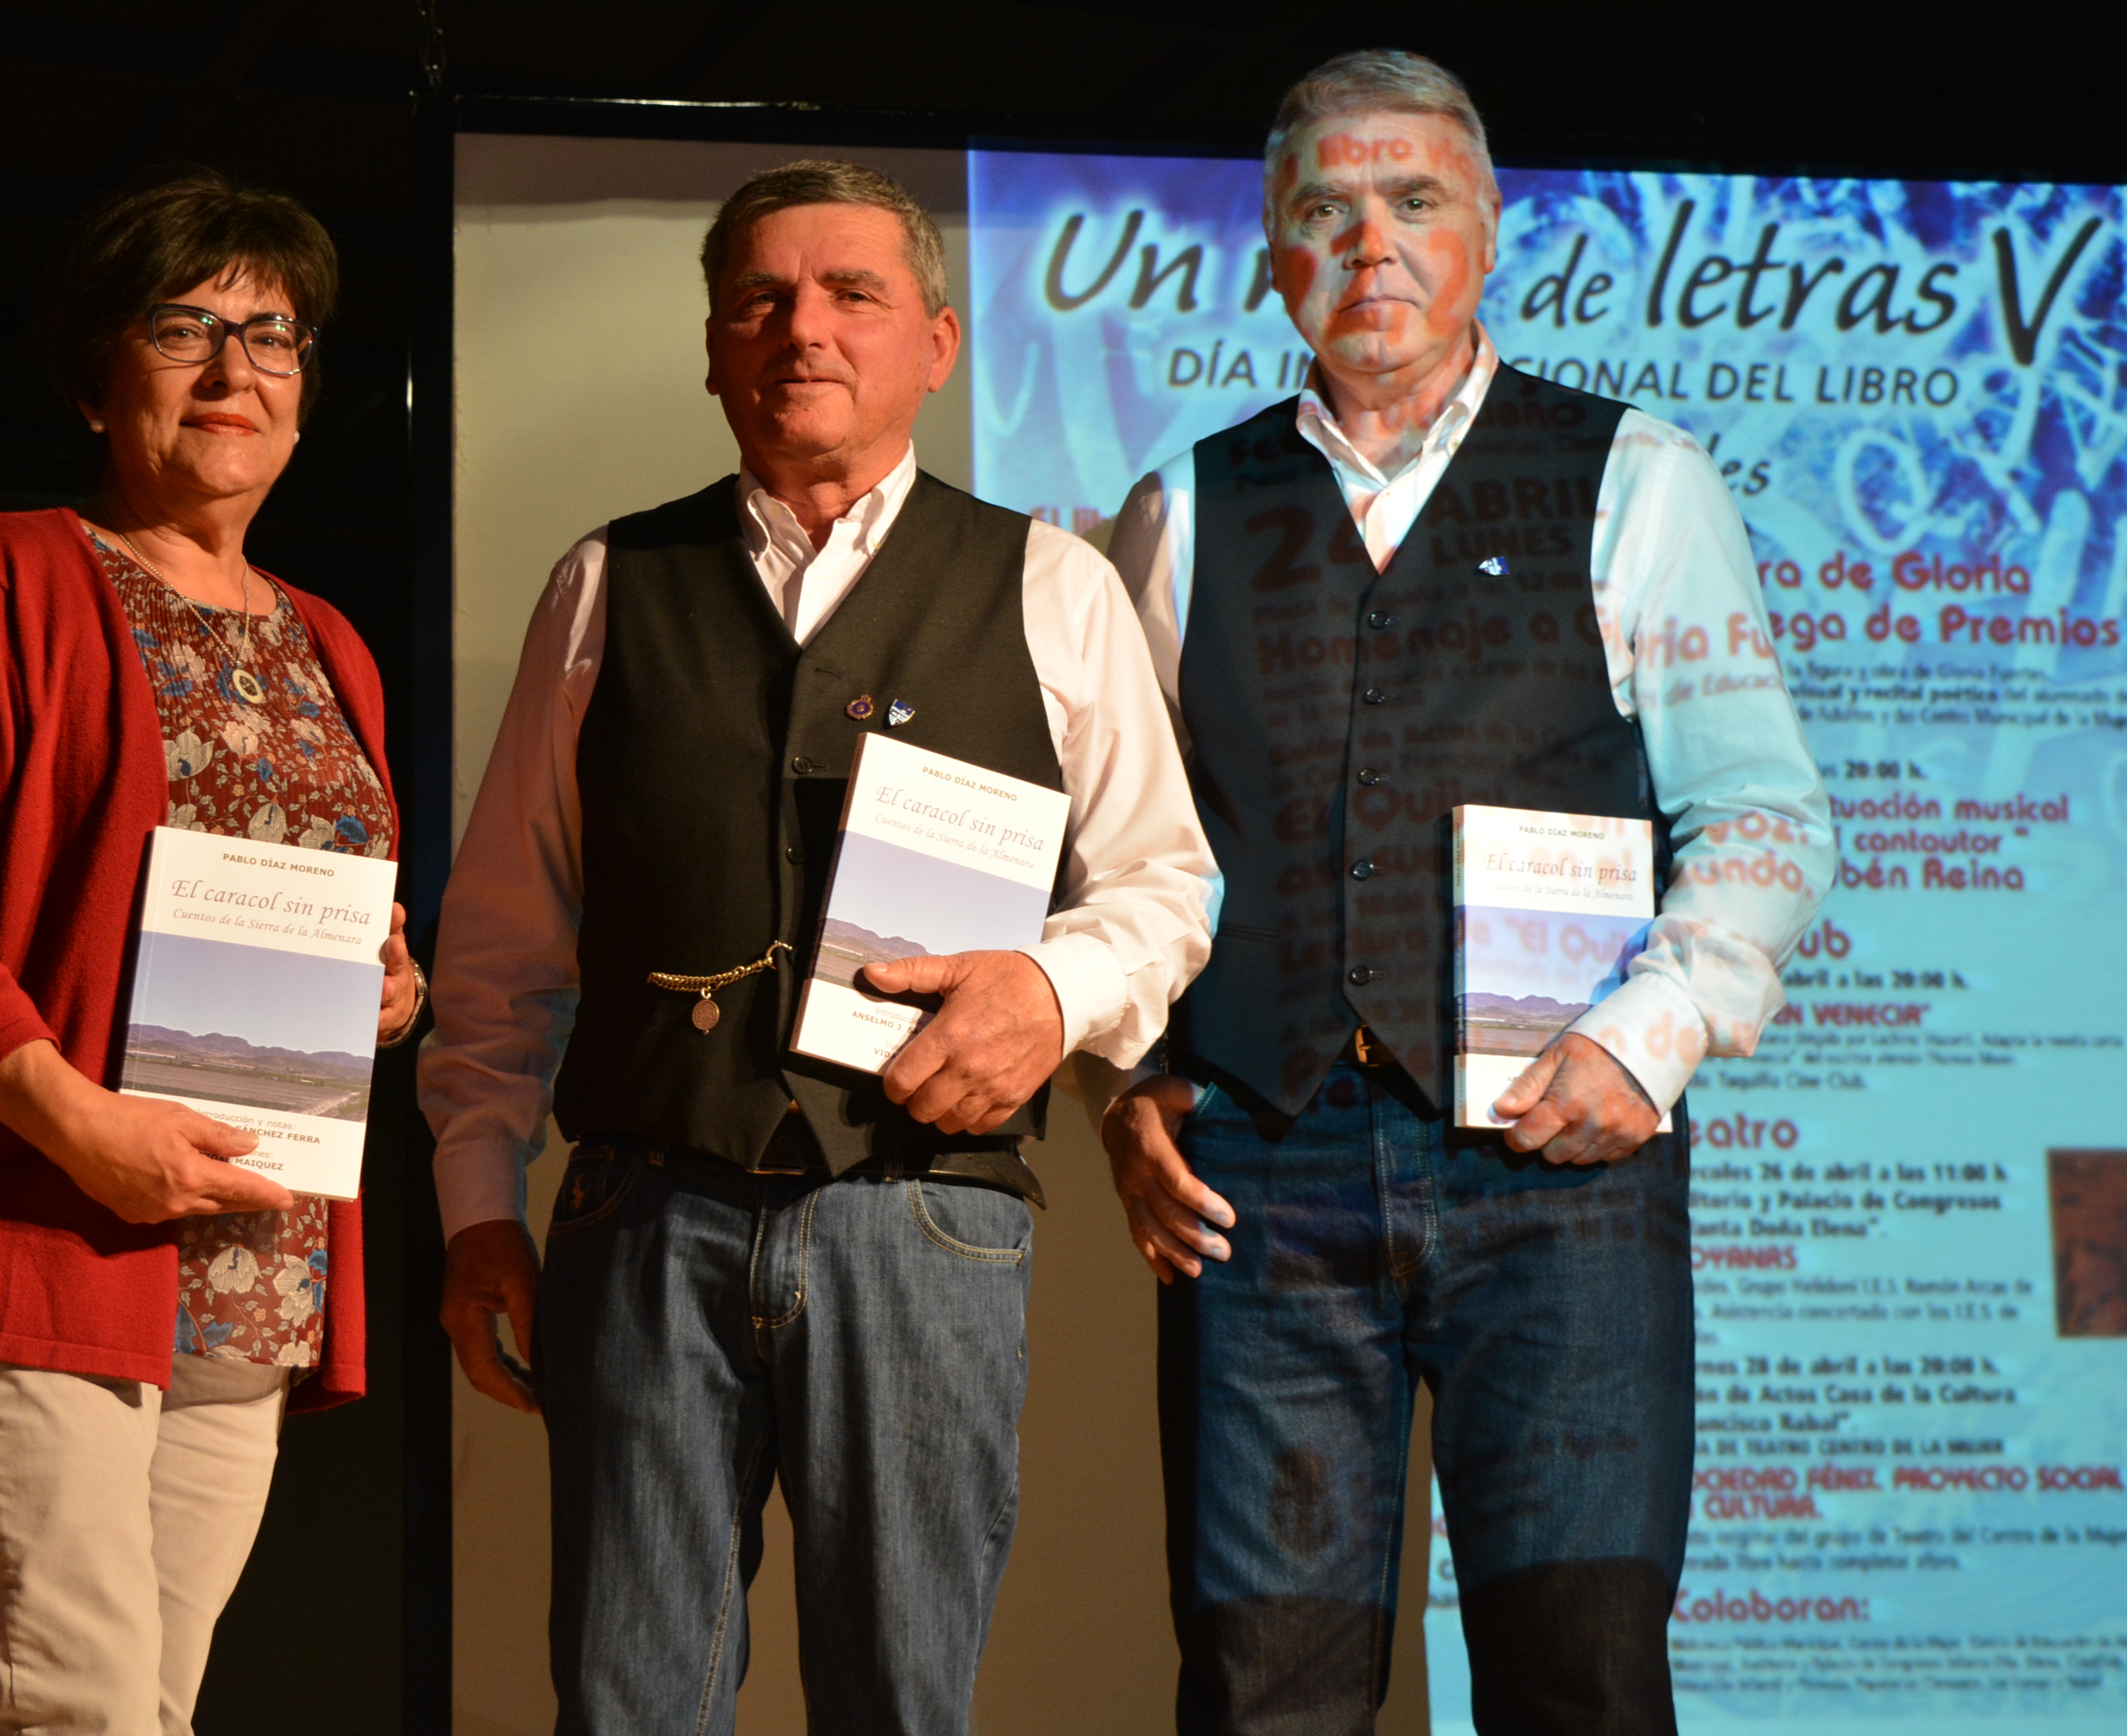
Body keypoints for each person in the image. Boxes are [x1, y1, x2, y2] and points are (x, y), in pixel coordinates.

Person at [421, 161, 1215, 1733]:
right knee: (629, 1706)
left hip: (922, 1220)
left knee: (902, 1705)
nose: (805, 328)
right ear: (713, 349)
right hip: (647, 1211)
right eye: (762, 300)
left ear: (936, 340)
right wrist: (471, 1208)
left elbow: (1163, 889)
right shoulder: (605, 583)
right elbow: (505, 942)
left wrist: (1053, 996)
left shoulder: (1053, 587)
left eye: (852, 293)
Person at [1096, 50, 1835, 1736]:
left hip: (1558, 1185)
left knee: (1575, 1675)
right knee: (1255, 1689)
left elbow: (1760, 816)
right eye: (1325, 210)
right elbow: (1123, 852)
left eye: (1414, 201)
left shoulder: (1635, 477)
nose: (1373, 244)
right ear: (1272, 251)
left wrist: (1647, 1037)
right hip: (1260, 1180)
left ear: (1487, 232)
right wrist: (1122, 1077)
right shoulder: (1180, 508)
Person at [0, 168, 418, 1736]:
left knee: (150, 1710)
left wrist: (385, 980)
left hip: (250, 1261)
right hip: (43, 1227)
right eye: (187, 330)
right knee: (74, 1705)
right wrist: (75, 1123)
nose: (236, 374)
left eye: (273, 337)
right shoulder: (6, 575)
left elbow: (324, 902)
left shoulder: (326, 639)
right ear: (99, 380)